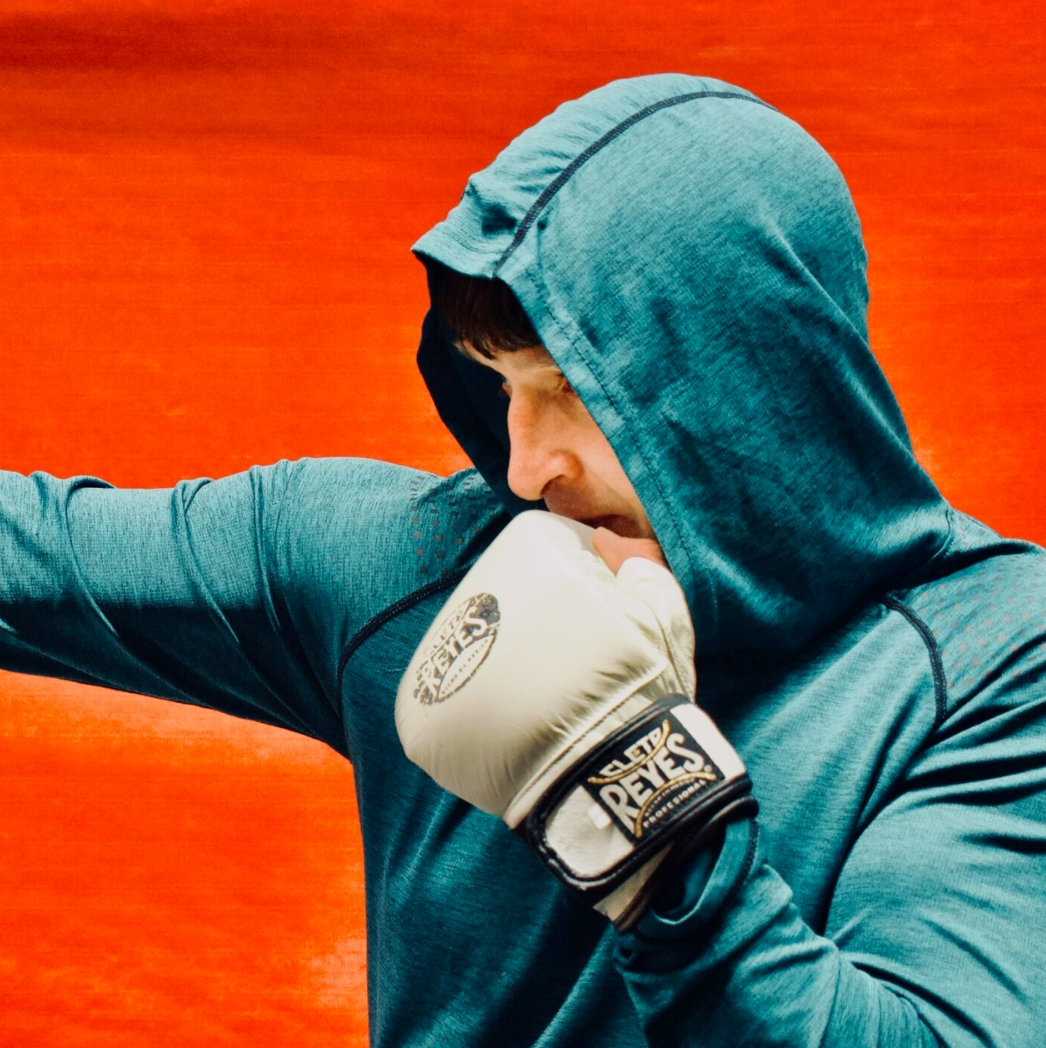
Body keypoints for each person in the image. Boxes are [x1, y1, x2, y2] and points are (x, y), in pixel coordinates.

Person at [2, 72, 1045, 1046]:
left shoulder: (993, 662)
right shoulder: (413, 568)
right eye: (501, 385)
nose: (524, 463)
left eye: (571, 390)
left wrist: (647, 815)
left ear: (746, 374)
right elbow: (38, 559)